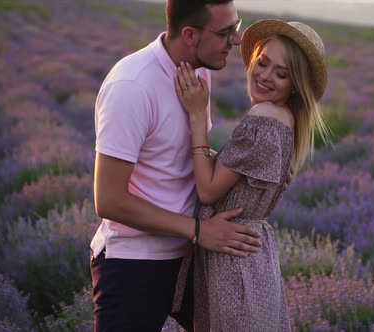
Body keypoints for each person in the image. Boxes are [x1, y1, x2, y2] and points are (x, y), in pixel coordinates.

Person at [89, 1, 264, 331]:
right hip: (135, 264)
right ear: (190, 35)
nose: (238, 41)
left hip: (190, 256)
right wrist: (199, 231)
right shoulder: (131, 87)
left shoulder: (198, 71)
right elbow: (109, 200)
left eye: (236, 27)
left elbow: (184, 158)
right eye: (226, 32)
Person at [172, 19, 330, 331]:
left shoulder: (263, 118)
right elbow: (237, 177)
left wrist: (197, 117)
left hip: (231, 261)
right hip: (255, 262)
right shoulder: (287, 121)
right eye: (263, 62)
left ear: (295, 84)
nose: (265, 76)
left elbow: (208, 191)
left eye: (281, 73)